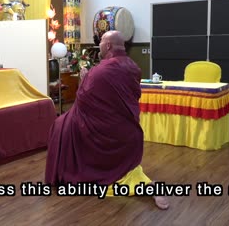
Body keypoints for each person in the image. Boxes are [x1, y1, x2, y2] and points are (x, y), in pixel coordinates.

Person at [45, 30, 169, 210]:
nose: (99, 44)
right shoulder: (133, 66)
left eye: (101, 41)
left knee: (61, 125)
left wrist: (84, 78)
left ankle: (71, 172)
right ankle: (145, 185)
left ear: (108, 45)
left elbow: (82, 101)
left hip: (106, 134)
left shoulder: (100, 71)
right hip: (128, 134)